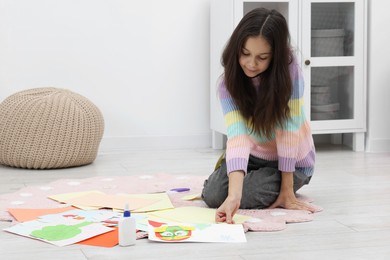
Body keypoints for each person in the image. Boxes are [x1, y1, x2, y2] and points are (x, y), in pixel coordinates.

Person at [202, 7, 317, 224]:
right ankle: (239, 179)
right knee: (215, 195)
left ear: (275, 58)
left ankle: (275, 185)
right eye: (245, 54)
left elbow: (288, 132)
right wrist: (234, 196)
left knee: (251, 190)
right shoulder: (227, 84)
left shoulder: (291, 74)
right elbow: (238, 137)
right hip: (254, 155)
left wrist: (287, 190)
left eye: (262, 57)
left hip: (293, 161)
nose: (251, 64)